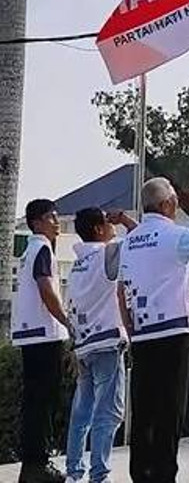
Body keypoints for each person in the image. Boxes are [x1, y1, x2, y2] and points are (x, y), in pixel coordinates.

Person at [117, 178, 189, 483]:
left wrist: (130, 330)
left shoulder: (129, 242)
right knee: (170, 411)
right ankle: (165, 474)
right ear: (166, 204)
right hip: (174, 333)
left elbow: (121, 291)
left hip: (142, 333)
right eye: (175, 200)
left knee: (143, 412)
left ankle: (141, 474)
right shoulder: (180, 237)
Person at [65, 207, 136, 483]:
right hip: (107, 342)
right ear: (98, 229)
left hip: (83, 344)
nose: (112, 227)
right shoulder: (107, 253)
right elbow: (143, 237)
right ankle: (99, 473)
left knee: (81, 412)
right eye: (108, 223)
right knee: (108, 412)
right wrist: (127, 220)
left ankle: (73, 472)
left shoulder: (77, 264)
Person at [11, 199, 69, 483]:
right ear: (36, 222)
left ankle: (32, 464)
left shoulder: (31, 250)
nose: (56, 223)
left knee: (34, 402)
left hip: (28, 333)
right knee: (44, 401)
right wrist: (66, 320)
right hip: (43, 334)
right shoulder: (43, 248)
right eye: (51, 218)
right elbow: (46, 288)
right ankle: (39, 463)